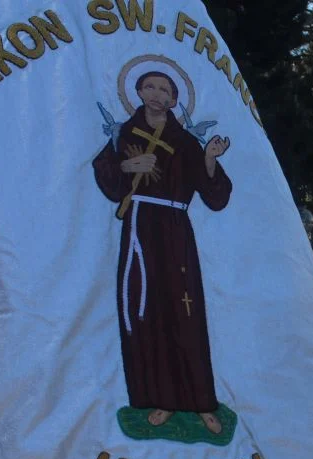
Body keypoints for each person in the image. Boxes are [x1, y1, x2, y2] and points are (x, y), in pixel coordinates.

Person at [92, 70, 232, 434]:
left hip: (174, 231)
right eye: (150, 87)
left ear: (174, 100)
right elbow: (105, 173)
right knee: (143, 311)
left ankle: (202, 403)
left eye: (165, 90)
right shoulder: (122, 134)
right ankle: (159, 401)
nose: (156, 94)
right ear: (138, 91)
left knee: (185, 312)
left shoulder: (185, 143)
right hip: (139, 227)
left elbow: (214, 196)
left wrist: (211, 158)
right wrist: (127, 165)